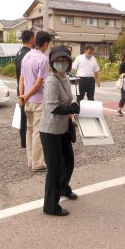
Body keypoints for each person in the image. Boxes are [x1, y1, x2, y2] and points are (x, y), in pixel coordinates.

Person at [40, 45, 80, 216]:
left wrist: (74, 107)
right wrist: (71, 108)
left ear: (69, 63)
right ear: (52, 63)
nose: (61, 63)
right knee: (55, 168)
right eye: (57, 60)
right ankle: (50, 205)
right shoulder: (51, 81)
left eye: (64, 60)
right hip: (50, 130)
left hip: (63, 127)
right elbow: (52, 107)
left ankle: (63, 188)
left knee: (69, 161)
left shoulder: (65, 77)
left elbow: (67, 101)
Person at [18, 31, 51, 171]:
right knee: (37, 131)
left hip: (27, 101)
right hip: (38, 100)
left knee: (29, 131)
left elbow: (22, 79)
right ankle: (37, 163)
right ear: (46, 44)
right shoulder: (43, 59)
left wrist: (22, 96)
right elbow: (38, 84)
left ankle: (30, 161)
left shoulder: (26, 56)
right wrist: (25, 96)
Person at [14, 30, 35, 148]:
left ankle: (24, 142)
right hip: (30, 91)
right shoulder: (30, 54)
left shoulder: (18, 53)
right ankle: (29, 141)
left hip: (20, 89)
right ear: (31, 39)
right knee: (31, 118)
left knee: (23, 117)